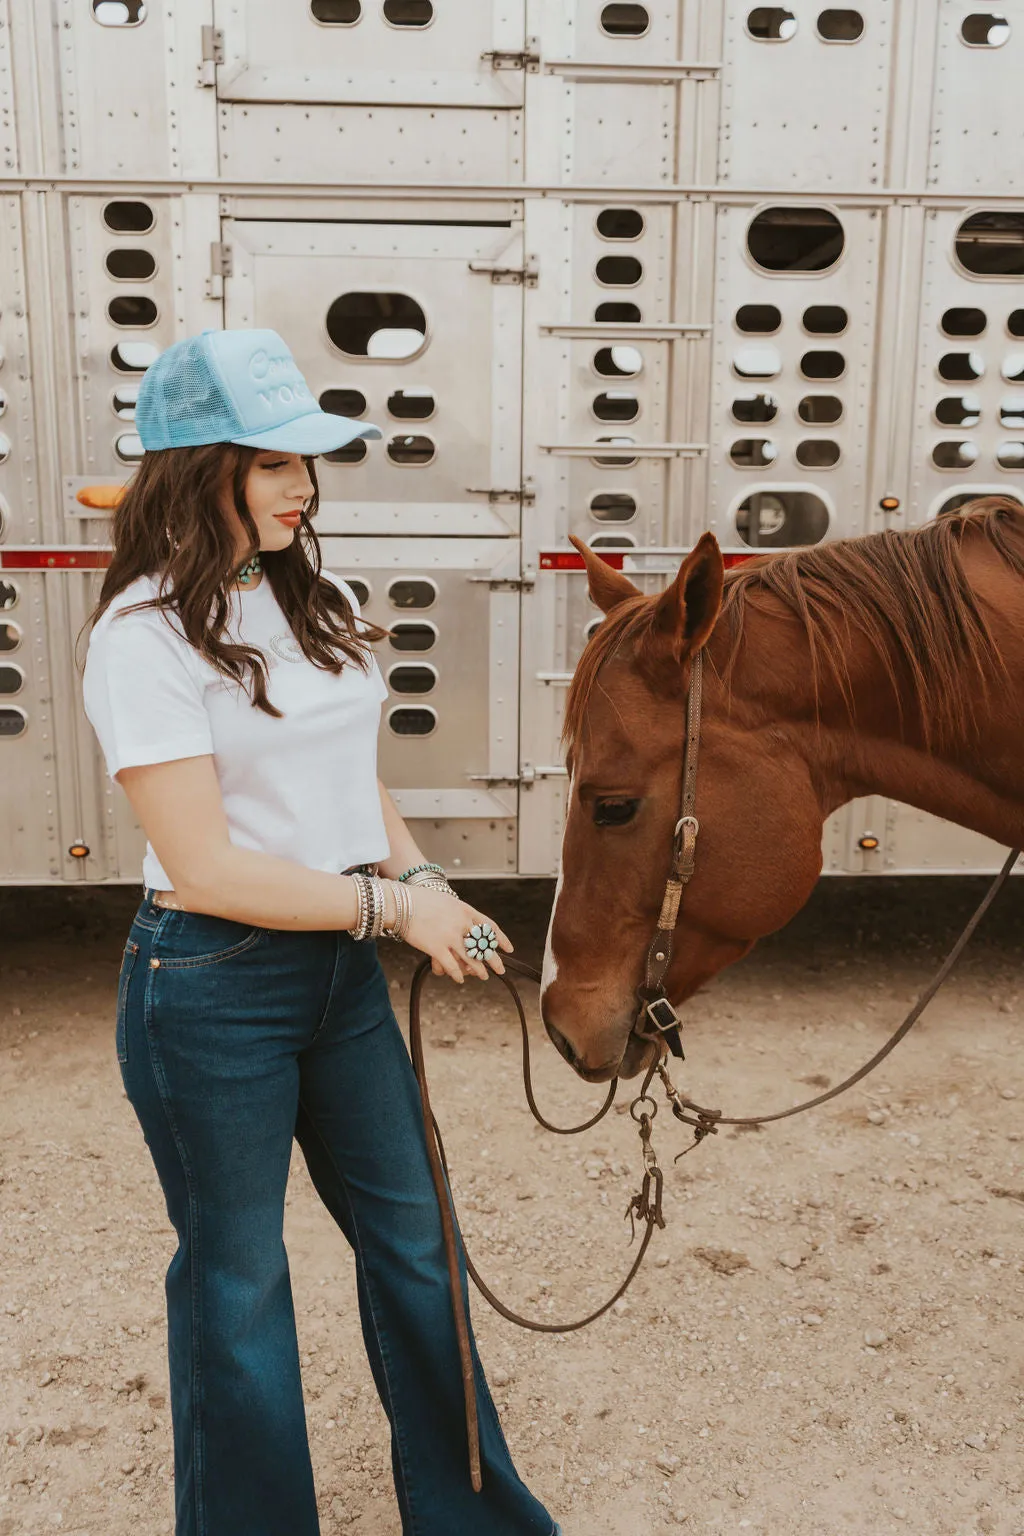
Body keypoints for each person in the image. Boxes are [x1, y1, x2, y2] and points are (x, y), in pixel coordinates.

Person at [80, 328, 560, 1536]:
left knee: (416, 1251)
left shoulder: (319, 594)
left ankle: (477, 1523)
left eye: (310, 460)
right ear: (201, 472)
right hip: (208, 984)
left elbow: (355, 782)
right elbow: (206, 864)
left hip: (339, 967)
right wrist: (394, 909)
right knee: (238, 1286)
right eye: (273, 462)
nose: (305, 482)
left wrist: (422, 875)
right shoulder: (137, 639)